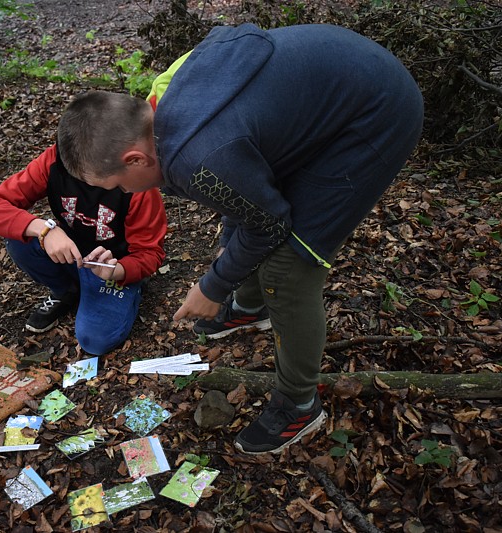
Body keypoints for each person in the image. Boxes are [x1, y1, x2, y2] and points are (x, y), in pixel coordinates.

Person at [56, 23, 424, 454]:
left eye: (118, 185)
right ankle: (250, 309)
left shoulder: (198, 156)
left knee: (288, 267)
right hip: (339, 83)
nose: (123, 195)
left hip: (375, 112)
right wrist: (229, 255)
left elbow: (269, 224)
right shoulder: (163, 106)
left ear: (135, 157)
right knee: (252, 242)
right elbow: (244, 192)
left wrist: (212, 285)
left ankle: (299, 405)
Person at [0, 143, 167, 355]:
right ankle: (67, 290)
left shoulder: (136, 182)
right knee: (19, 238)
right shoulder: (56, 158)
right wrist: (45, 230)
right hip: (72, 252)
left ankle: (127, 289)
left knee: (95, 340)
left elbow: (151, 253)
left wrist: (120, 270)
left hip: (112, 266)